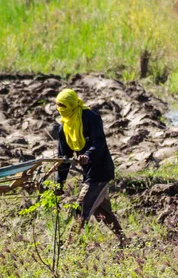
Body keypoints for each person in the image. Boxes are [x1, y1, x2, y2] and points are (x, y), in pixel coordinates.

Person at [54, 88, 127, 246]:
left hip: (100, 171)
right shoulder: (64, 128)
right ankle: (124, 241)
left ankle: (70, 244)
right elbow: (63, 158)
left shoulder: (90, 118)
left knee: (82, 206)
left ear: (73, 104)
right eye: (58, 106)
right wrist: (59, 183)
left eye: (64, 106)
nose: (61, 110)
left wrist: (88, 155)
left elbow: (99, 142)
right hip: (88, 173)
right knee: (104, 212)